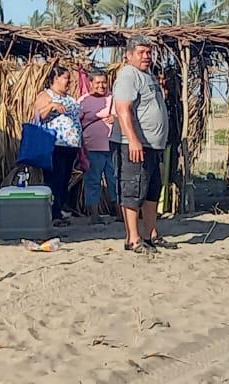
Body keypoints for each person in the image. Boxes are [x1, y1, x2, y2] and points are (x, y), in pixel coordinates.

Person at [111, 37, 177, 254]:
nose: (146, 56)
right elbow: (123, 109)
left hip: (152, 145)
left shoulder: (147, 76)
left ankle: (150, 234)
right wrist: (133, 140)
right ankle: (133, 238)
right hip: (133, 145)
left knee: (151, 191)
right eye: (141, 52)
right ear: (129, 55)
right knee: (132, 189)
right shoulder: (128, 76)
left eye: (148, 52)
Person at [34, 66, 81, 226]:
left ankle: (59, 211)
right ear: (56, 78)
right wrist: (52, 106)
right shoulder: (46, 95)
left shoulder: (70, 98)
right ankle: (54, 214)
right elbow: (38, 115)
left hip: (71, 146)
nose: (69, 81)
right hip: (55, 145)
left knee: (64, 180)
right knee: (55, 179)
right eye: (66, 77)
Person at [78, 70, 117, 223]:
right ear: (91, 84)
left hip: (112, 147)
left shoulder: (113, 99)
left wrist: (115, 117)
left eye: (104, 82)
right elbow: (77, 123)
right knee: (93, 181)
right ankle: (94, 216)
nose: (101, 86)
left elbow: (125, 115)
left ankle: (119, 214)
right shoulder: (83, 101)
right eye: (98, 83)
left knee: (115, 180)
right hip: (92, 148)